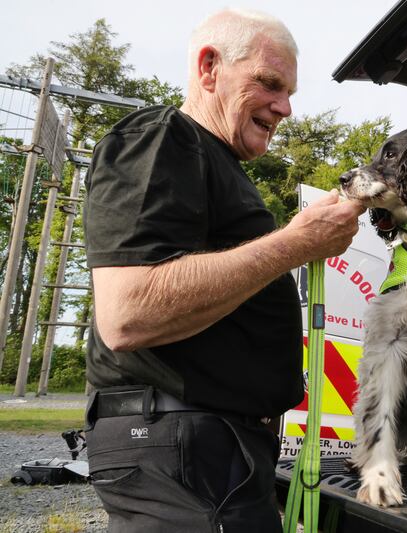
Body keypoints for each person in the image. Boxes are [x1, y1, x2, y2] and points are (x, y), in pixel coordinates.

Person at [82, 8, 365, 532]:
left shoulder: (217, 164)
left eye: (290, 94)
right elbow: (127, 314)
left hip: (211, 450)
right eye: (269, 83)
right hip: (182, 447)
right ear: (210, 68)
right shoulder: (163, 137)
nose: (284, 108)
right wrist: (296, 243)